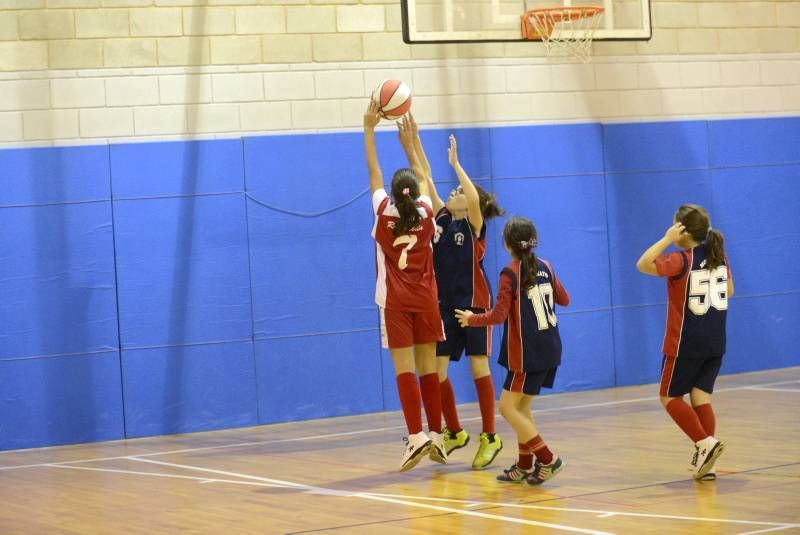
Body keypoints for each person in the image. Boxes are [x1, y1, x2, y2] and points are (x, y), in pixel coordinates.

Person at [408, 125, 505, 469]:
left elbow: (473, 198)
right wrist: (412, 138)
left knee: (479, 366)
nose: (452, 193)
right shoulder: (443, 219)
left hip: (475, 305)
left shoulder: (473, 226)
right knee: (438, 373)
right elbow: (424, 176)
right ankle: (455, 431)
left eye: (458, 192)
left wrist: (456, 164)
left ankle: (490, 437)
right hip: (445, 307)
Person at [363, 100, 447, 471]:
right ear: (414, 193)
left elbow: (373, 172)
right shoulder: (427, 212)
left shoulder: (383, 211)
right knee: (429, 366)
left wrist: (369, 128)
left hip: (395, 301)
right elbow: (424, 176)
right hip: (427, 297)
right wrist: (410, 143)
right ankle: (438, 434)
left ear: (393, 195)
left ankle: (415, 437)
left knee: (404, 368)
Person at [455, 216, 569, 485]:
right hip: (550, 347)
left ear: (507, 244)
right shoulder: (547, 266)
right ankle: (524, 464)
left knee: (507, 409)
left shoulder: (510, 273)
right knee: (522, 408)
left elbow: (498, 315)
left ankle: (548, 459)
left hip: (527, 353)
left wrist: (472, 319)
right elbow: (565, 299)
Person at [636, 204, 733, 481]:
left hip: (685, 343)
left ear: (682, 230)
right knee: (700, 396)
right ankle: (708, 464)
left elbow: (643, 264)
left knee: (668, 396)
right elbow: (730, 290)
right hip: (715, 340)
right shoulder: (718, 256)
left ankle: (705, 444)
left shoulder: (682, 260)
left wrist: (666, 239)